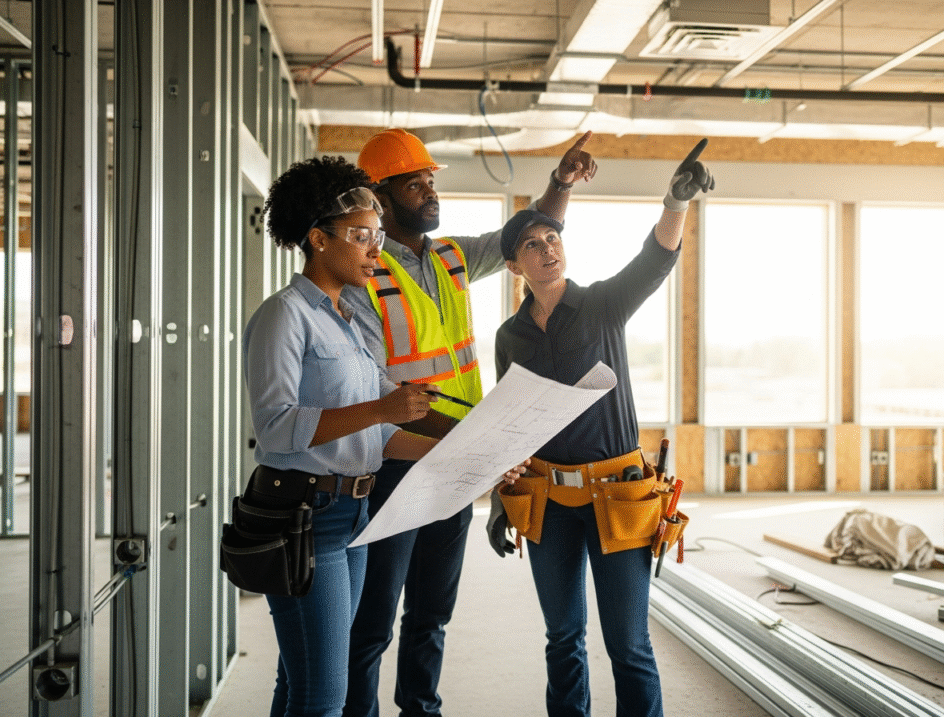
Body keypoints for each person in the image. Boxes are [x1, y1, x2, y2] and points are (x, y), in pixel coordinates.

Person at [242, 155, 525, 717]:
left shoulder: (348, 321)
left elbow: (382, 437)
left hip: (352, 512)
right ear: (319, 239)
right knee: (324, 695)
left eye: (377, 235)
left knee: (301, 682)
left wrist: (476, 463)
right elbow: (275, 426)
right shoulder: (284, 316)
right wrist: (381, 406)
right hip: (304, 514)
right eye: (362, 236)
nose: (376, 249)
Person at [342, 128, 597, 717]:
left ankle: (420, 709)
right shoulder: (367, 274)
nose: (431, 193)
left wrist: (560, 185)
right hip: (398, 462)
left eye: (432, 181)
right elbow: (371, 384)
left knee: (431, 612)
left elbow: (523, 236)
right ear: (380, 197)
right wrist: (462, 438)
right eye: (416, 184)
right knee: (373, 618)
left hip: (457, 464)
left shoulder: (454, 256)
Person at [488, 139, 715, 717]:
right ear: (514, 265)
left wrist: (676, 203)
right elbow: (509, 425)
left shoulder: (601, 306)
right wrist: (498, 499)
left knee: (628, 644)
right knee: (563, 639)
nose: (547, 250)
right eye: (533, 246)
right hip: (547, 502)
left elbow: (654, 260)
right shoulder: (509, 338)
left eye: (553, 239)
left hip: (619, 495)